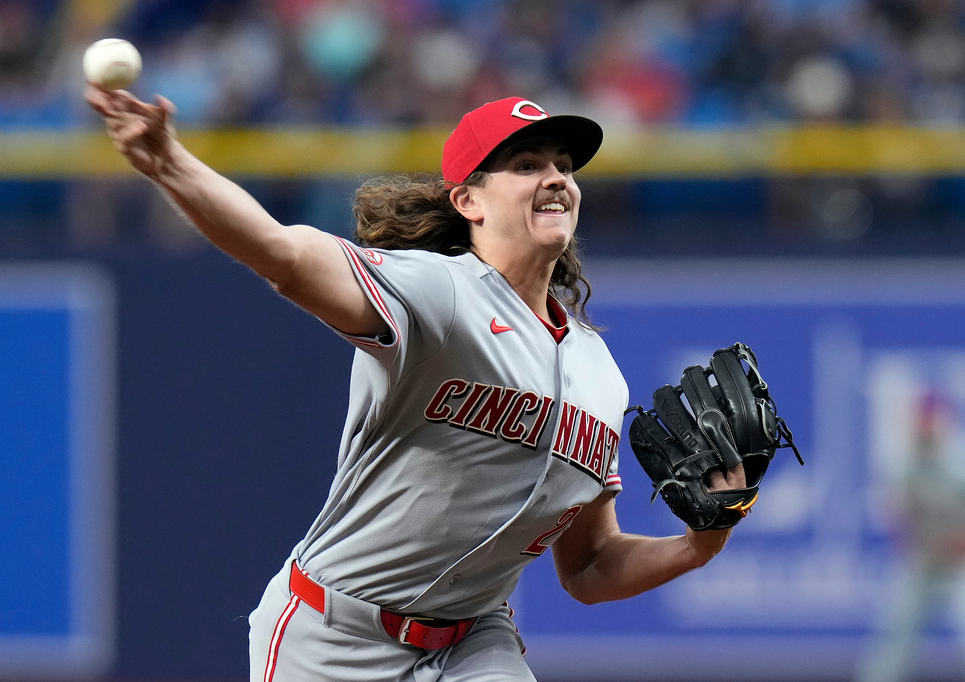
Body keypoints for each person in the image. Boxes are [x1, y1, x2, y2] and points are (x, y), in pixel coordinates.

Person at [86, 86, 747, 681]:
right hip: (332, 638)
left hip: (471, 646)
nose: (554, 179)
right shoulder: (438, 292)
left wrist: (698, 544)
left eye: (563, 167)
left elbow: (591, 567)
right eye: (525, 166)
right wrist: (169, 161)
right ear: (468, 201)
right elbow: (284, 256)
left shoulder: (598, 371)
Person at [856, 390, 965, 682]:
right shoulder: (900, 463)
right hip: (923, 561)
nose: (924, 428)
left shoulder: (958, 462)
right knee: (895, 634)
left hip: (960, 564)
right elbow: (896, 515)